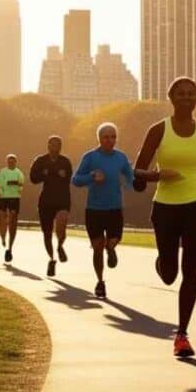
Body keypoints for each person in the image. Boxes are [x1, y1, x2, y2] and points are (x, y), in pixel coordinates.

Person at [133, 77, 196, 358]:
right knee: (169, 274)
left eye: (191, 94)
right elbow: (137, 173)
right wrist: (159, 175)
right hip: (165, 208)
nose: (186, 98)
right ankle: (162, 260)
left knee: (190, 268)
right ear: (171, 97)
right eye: (181, 94)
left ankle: (182, 334)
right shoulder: (158, 130)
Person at [73, 122, 134, 299]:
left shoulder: (121, 157)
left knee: (113, 241)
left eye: (113, 136)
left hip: (115, 208)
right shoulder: (90, 157)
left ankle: (112, 248)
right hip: (94, 209)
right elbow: (76, 180)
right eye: (106, 137)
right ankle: (100, 281)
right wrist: (91, 176)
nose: (110, 140)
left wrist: (140, 178)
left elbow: (131, 179)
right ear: (99, 139)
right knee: (97, 247)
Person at [30, 136, 73, 277]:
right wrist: (43, 174)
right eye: (52, 144)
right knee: (47, 234)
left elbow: (70, 178)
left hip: (62, 199)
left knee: (61, 224)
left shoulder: (65, 161)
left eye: (57, 144)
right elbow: (33, 178)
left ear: (61, 146)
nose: (54, 146)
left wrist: (64, 175)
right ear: (47, 145)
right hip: (46, 201)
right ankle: (52, 259)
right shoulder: (40, 161)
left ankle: (60, 246)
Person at [0, 154, 25, 262]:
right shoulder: (2, 172)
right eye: (9, 161)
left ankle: (10, 248)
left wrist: (18, 187)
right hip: (3, 198)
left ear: (16, 162)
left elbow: (21, 184)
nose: (11, 163)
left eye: (13, 161)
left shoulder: (19, 173)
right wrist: (0, 192)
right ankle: (3, 236)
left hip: (14, 198)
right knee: (2, 219)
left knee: (13, 221)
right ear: (6, 162)